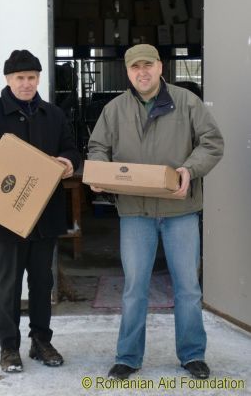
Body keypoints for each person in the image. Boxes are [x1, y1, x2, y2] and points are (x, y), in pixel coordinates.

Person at [88, 44, 224, 380]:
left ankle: (192, 354)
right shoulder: (115, 109)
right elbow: (97, 148)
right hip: (135, 212)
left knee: (188, 287)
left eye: (148, 65)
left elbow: (211, 142)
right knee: (135, 287)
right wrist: (101, 173)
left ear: (161, 67)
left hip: (180, 210)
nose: (142, 73)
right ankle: (128, 357)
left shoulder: (187, 102)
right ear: (128, 71)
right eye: (135, 68)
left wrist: (189, 170)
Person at [0, 50, 81, 373]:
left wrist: (68, 162)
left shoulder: (53, 115)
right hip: (6, 215)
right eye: (20, 78)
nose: (26, 84)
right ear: (8, 80)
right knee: (9, 284)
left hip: (46, 214)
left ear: (39, 78)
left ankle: (41, 341)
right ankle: (9, 348)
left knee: (42, 282)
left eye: (32, 77)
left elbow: (71, 147)